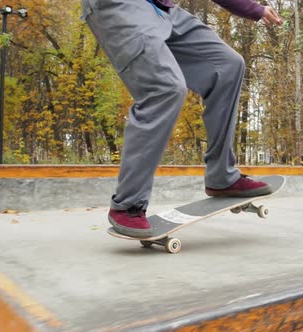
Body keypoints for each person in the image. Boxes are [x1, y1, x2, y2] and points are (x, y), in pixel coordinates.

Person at [81, 0, 283, 237]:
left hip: (162, 8)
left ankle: (222, 176)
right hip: (120, 5)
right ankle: (127, 204)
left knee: (228, 65)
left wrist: (254, 9)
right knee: (165, 87)